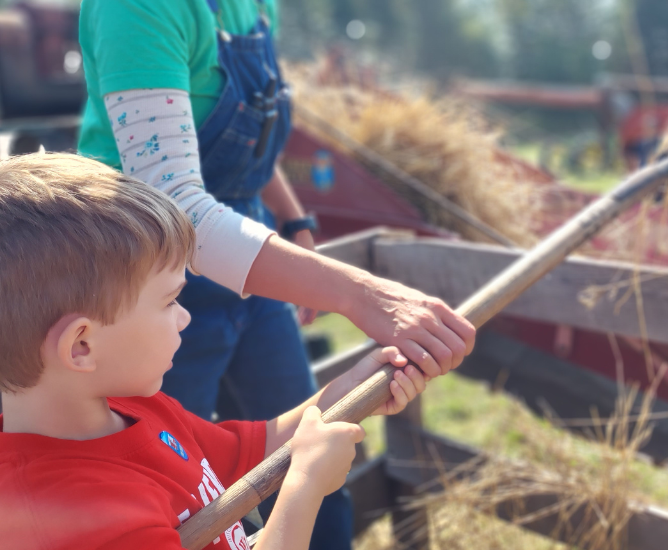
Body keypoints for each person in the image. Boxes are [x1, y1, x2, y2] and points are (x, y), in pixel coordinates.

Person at [76, 0, 475, 545]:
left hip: (248, 256)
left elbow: (252, 131)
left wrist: (296, 223)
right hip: (142, 286)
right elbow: (177, 211)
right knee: (178, 500)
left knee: (315, 454)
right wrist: (366, 295)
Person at [0, 152, 428, 550]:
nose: (184, 318)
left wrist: (351, 393)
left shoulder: (129, 406)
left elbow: (249, 450)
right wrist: (305, 487)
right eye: (169, 301)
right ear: (82, 345)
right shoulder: (77, 517)